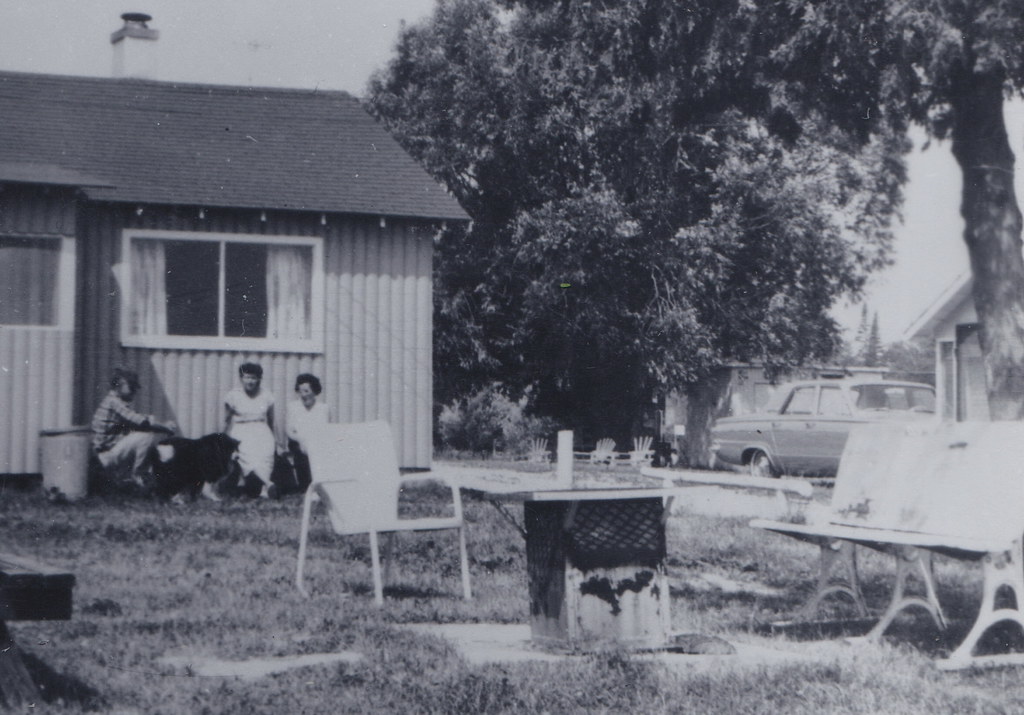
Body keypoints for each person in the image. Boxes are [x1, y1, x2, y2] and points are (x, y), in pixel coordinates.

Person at [91, 367, 177, 486]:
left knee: (145, 435)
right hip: (105, 456)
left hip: (108, 453)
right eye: (131, 387)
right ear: (118, 386)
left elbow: (138, 419)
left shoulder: (114, 401)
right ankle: (138, 477)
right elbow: (142, 422)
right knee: (146, 437)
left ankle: (132, 478)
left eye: (135, 387)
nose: (134, 391)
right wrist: (165, 427)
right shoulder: (114, 402)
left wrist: (160, 425)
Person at [224, 362, 277, 498]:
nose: (250, 381)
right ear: (241, 378)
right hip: (241, 430)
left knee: (266, 454)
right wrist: (223, 439)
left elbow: (271, 421)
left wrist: (276, 440)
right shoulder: (233, 395)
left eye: (253, 378)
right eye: (247, 377)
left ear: (259, 379)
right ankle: (267, 483)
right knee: (248, 455)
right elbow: (226, 420)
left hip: (261, 429)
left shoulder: (267, 395)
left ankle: (264, 490)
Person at [285, 373, 331, 491]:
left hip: (318, 444)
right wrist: (301, 440)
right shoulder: (293, 407)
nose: (303, 395)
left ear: (314, 391)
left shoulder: (324, 408)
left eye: (306, 391)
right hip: (299, 444)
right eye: (300, 392)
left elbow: (327, 431)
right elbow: (289, 431)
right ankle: (306, 485)